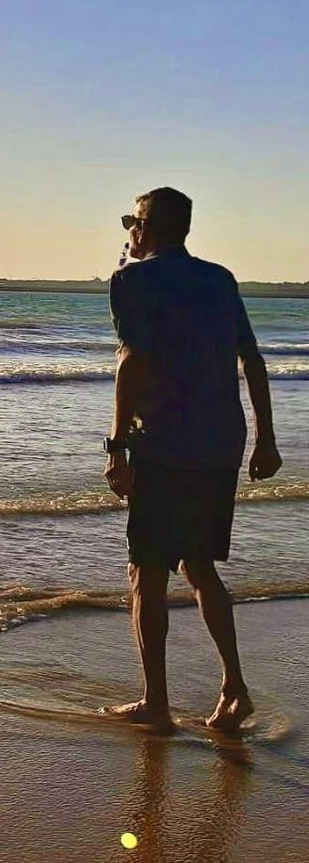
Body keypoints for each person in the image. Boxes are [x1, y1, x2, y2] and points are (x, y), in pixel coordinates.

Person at [102, 187, 281, 732]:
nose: (129, 230)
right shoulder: (219, 279)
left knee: (146, 571)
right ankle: (233, 687)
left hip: (164, 443)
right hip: (219, 442)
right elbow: (250, 359)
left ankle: (156, 703)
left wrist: (116, 446)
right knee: (200, 567)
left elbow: (133, 361)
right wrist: (266, 438)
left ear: (147, 227)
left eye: (133, 221)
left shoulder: (132, 280)